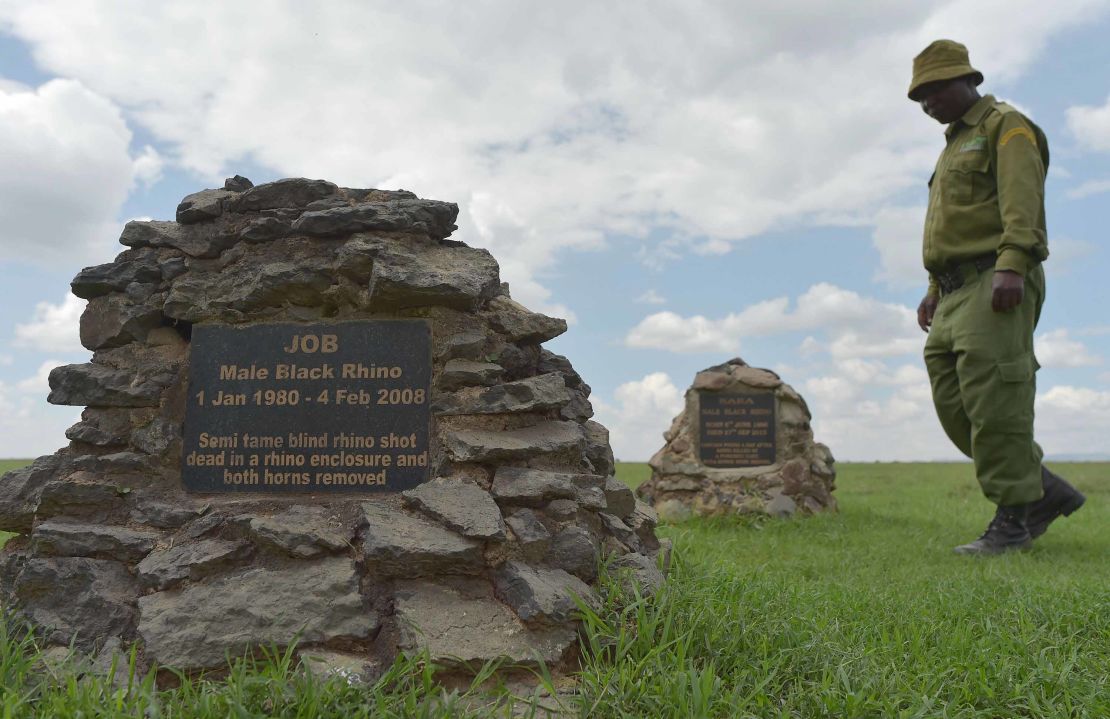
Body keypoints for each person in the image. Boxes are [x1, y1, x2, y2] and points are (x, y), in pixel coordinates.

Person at [909, 39, 1085, 555]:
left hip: (997, 279)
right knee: (954, 403)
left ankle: (1012, 524)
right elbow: (950, 227)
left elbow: (1022, 202)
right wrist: (934, 288)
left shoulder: (1005, 127)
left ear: (969, 80)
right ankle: (1043, 488)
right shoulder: (950, 148)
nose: (927, 103)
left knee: (997, 405)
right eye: (920, 95)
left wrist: (1013, 263)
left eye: (935, 89)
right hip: (954, 290)